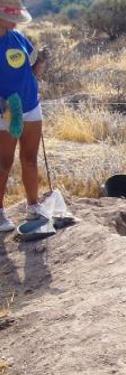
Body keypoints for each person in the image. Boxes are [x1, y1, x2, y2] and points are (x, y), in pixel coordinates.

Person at [0, 0, 47, 233]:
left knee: (30, 158)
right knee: (3, 161)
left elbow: (32, 71)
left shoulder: (18, 38)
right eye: (11, 17)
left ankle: (33, 206)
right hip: (5, 110)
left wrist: (41, 61)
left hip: (30, 105)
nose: (15, 22)